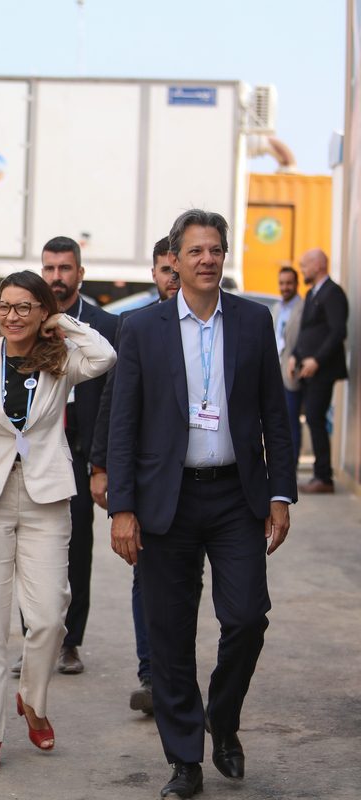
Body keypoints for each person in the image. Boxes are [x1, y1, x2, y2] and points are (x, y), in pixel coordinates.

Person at [107, 209, 295, 799]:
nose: (207, 259)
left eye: (216, 250)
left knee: (246, 617)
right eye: (196, 251)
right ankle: (185, 759)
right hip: (168, 500)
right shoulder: (143, 328)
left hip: (238, 496)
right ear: (177, 261)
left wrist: (280, 492)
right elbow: (124, 423)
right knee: (169, 632)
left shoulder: (252, 321)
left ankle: (224, 716)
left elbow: (275, 414)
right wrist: (122, 506)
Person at [0, 270, 114, 774]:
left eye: (24, 307)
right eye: (4, 306)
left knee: (48, 616)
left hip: (46, 494)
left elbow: (106, 356)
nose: (12, 316)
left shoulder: (60, 358)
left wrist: (61, 321)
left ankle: (33, 700)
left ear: (42, 311)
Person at [89, 236, 180, 715]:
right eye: (166, 269)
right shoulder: (134, 326)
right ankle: (152, 675)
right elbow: (114, 402)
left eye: (177, 268)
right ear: (155, 272)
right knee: (148, 578)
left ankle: (174, 672)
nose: (174, 278)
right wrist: (102, 467)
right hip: (148, 477)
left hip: (204, 478)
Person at [38, 235, 118, 676]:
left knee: (77, 548)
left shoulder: (106, 325)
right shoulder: (26, 320)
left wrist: (101, 464)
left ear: (80, 273)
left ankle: (71, 642)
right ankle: (37, 641)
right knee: (31, 549)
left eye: (64, 268)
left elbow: (112, 401)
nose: (56, 277)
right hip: (36, 455)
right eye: (49, 268)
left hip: (82, 456)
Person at [290, 248, 348, 494]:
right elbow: (305, 331)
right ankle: (319, 474)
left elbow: (337, 332)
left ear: (318, 265)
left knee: (315, 418)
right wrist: (295, 355)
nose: (302, 269)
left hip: (322, 371)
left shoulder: (333, 293)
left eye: (305, 265)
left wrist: (317, 360)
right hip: (305, 370)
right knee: (311, 419)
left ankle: (323, 477)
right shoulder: (312, 293)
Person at [272, 265, 304, 459]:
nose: (285, 287)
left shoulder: (304, 308)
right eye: (282, 283)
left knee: (291, 420)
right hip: (274, 369)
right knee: (276, 421)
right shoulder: (277, 307)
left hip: (291, 372)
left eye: (289, 283)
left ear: (296, 284)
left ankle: (292, 464)